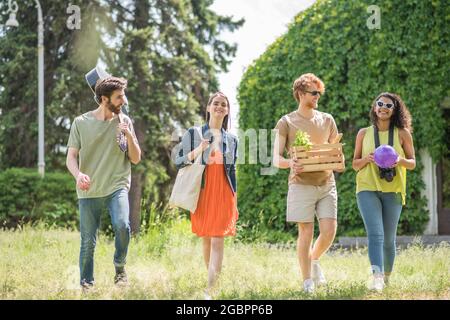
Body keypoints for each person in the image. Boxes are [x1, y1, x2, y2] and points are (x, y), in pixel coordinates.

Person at [66, 76, 141, 291]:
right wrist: (78, 174)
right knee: (88, 242)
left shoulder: (124, 121)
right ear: (103, 99)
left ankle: (120, 267)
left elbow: (135, 159)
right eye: (119, 97)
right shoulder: (81, 122)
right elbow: (71, 156)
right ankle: (86, 285)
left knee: (122, 225)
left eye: (123, 96)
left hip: (117, 185)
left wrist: (128, 134)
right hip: (89, 191)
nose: (123, 101)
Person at [273, 73, 343, 294]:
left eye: (319, 93)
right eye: (314, 93)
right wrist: (290, 163)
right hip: (301, 184)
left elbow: (335, 152)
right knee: (306, 232)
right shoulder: (287, 122)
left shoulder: (327, 119)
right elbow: (276, 159)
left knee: (330, 230)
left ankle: (313, 261)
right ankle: (307, 281)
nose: (318, 97)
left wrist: (338, 160)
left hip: (326, 182)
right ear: (301, 94)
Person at [174, 92, 239, 299]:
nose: (220, 107)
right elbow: (178, 161)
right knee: (206, 238)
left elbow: (232, 171)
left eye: (224, 104)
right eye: (216, 103)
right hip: (202, 190)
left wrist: (234, 199)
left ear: (227, 110)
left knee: (217, 239)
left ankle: (211, 288)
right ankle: (211, 279)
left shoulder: (232, 139)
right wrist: (198, 149)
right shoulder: (195, 133)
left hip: (223, 192)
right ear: (208, 108)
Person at [352, 92, 415, 292]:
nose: (383, 107)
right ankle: (377, 277)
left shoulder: (403, 133)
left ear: (395, 110)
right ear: (374, 107)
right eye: (380, 104)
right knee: (376, 234)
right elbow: (354, 164)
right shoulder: (363, 133)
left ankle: (386, 276)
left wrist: (400, 160)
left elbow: (412, 163)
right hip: (367, 187)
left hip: (393, 189)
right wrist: (367, 159)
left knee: (388, 239)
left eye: (389, 105)